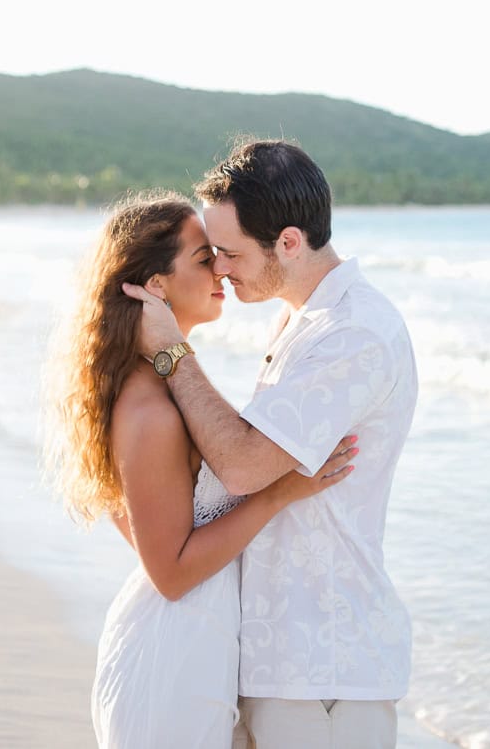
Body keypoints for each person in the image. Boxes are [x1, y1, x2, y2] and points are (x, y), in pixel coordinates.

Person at [123, 140, 418, 749]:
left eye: (228, 253)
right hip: (277, 653)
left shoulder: (354, 332)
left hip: (325, 661)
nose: (221, 270)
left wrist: (173, 352)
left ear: (288, 242)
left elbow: (240, 465)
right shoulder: (299, 320)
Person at [44, 191, 358, 749]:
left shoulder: (150, 388)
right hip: (174, 658)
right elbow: (171, 573)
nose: (219, 268)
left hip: (193, 646)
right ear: (156, 286)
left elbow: (145, 531)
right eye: (202, 257)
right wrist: (280, 492)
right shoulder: (151, 410)